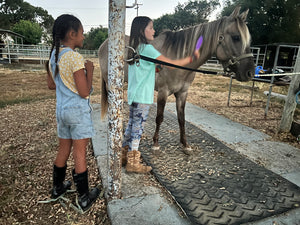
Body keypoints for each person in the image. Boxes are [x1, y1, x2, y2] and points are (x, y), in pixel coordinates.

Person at [122, 16, 200, 173]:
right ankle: (133, 163)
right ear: (142, 31)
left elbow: (145, 68)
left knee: (131, 125)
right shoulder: (148, 49)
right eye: (150, 27)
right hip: (143, 97)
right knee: (138, 129)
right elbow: (171, 64)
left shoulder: (134, 48)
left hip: (133, 95)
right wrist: (191, 58)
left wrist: (154, 68)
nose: (154, 30)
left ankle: (123, 154)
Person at [46, 14, 99, 212]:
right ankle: (84, 197)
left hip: (61, 111)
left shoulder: (54, 55)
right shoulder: (75, 58)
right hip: (77, 112)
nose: (83, 37)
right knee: (79, 152)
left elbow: (52, 85)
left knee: (63, 149)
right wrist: (90, 71)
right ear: (72, 33)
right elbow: (84, 91)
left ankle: (57, 188)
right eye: (82, 33)